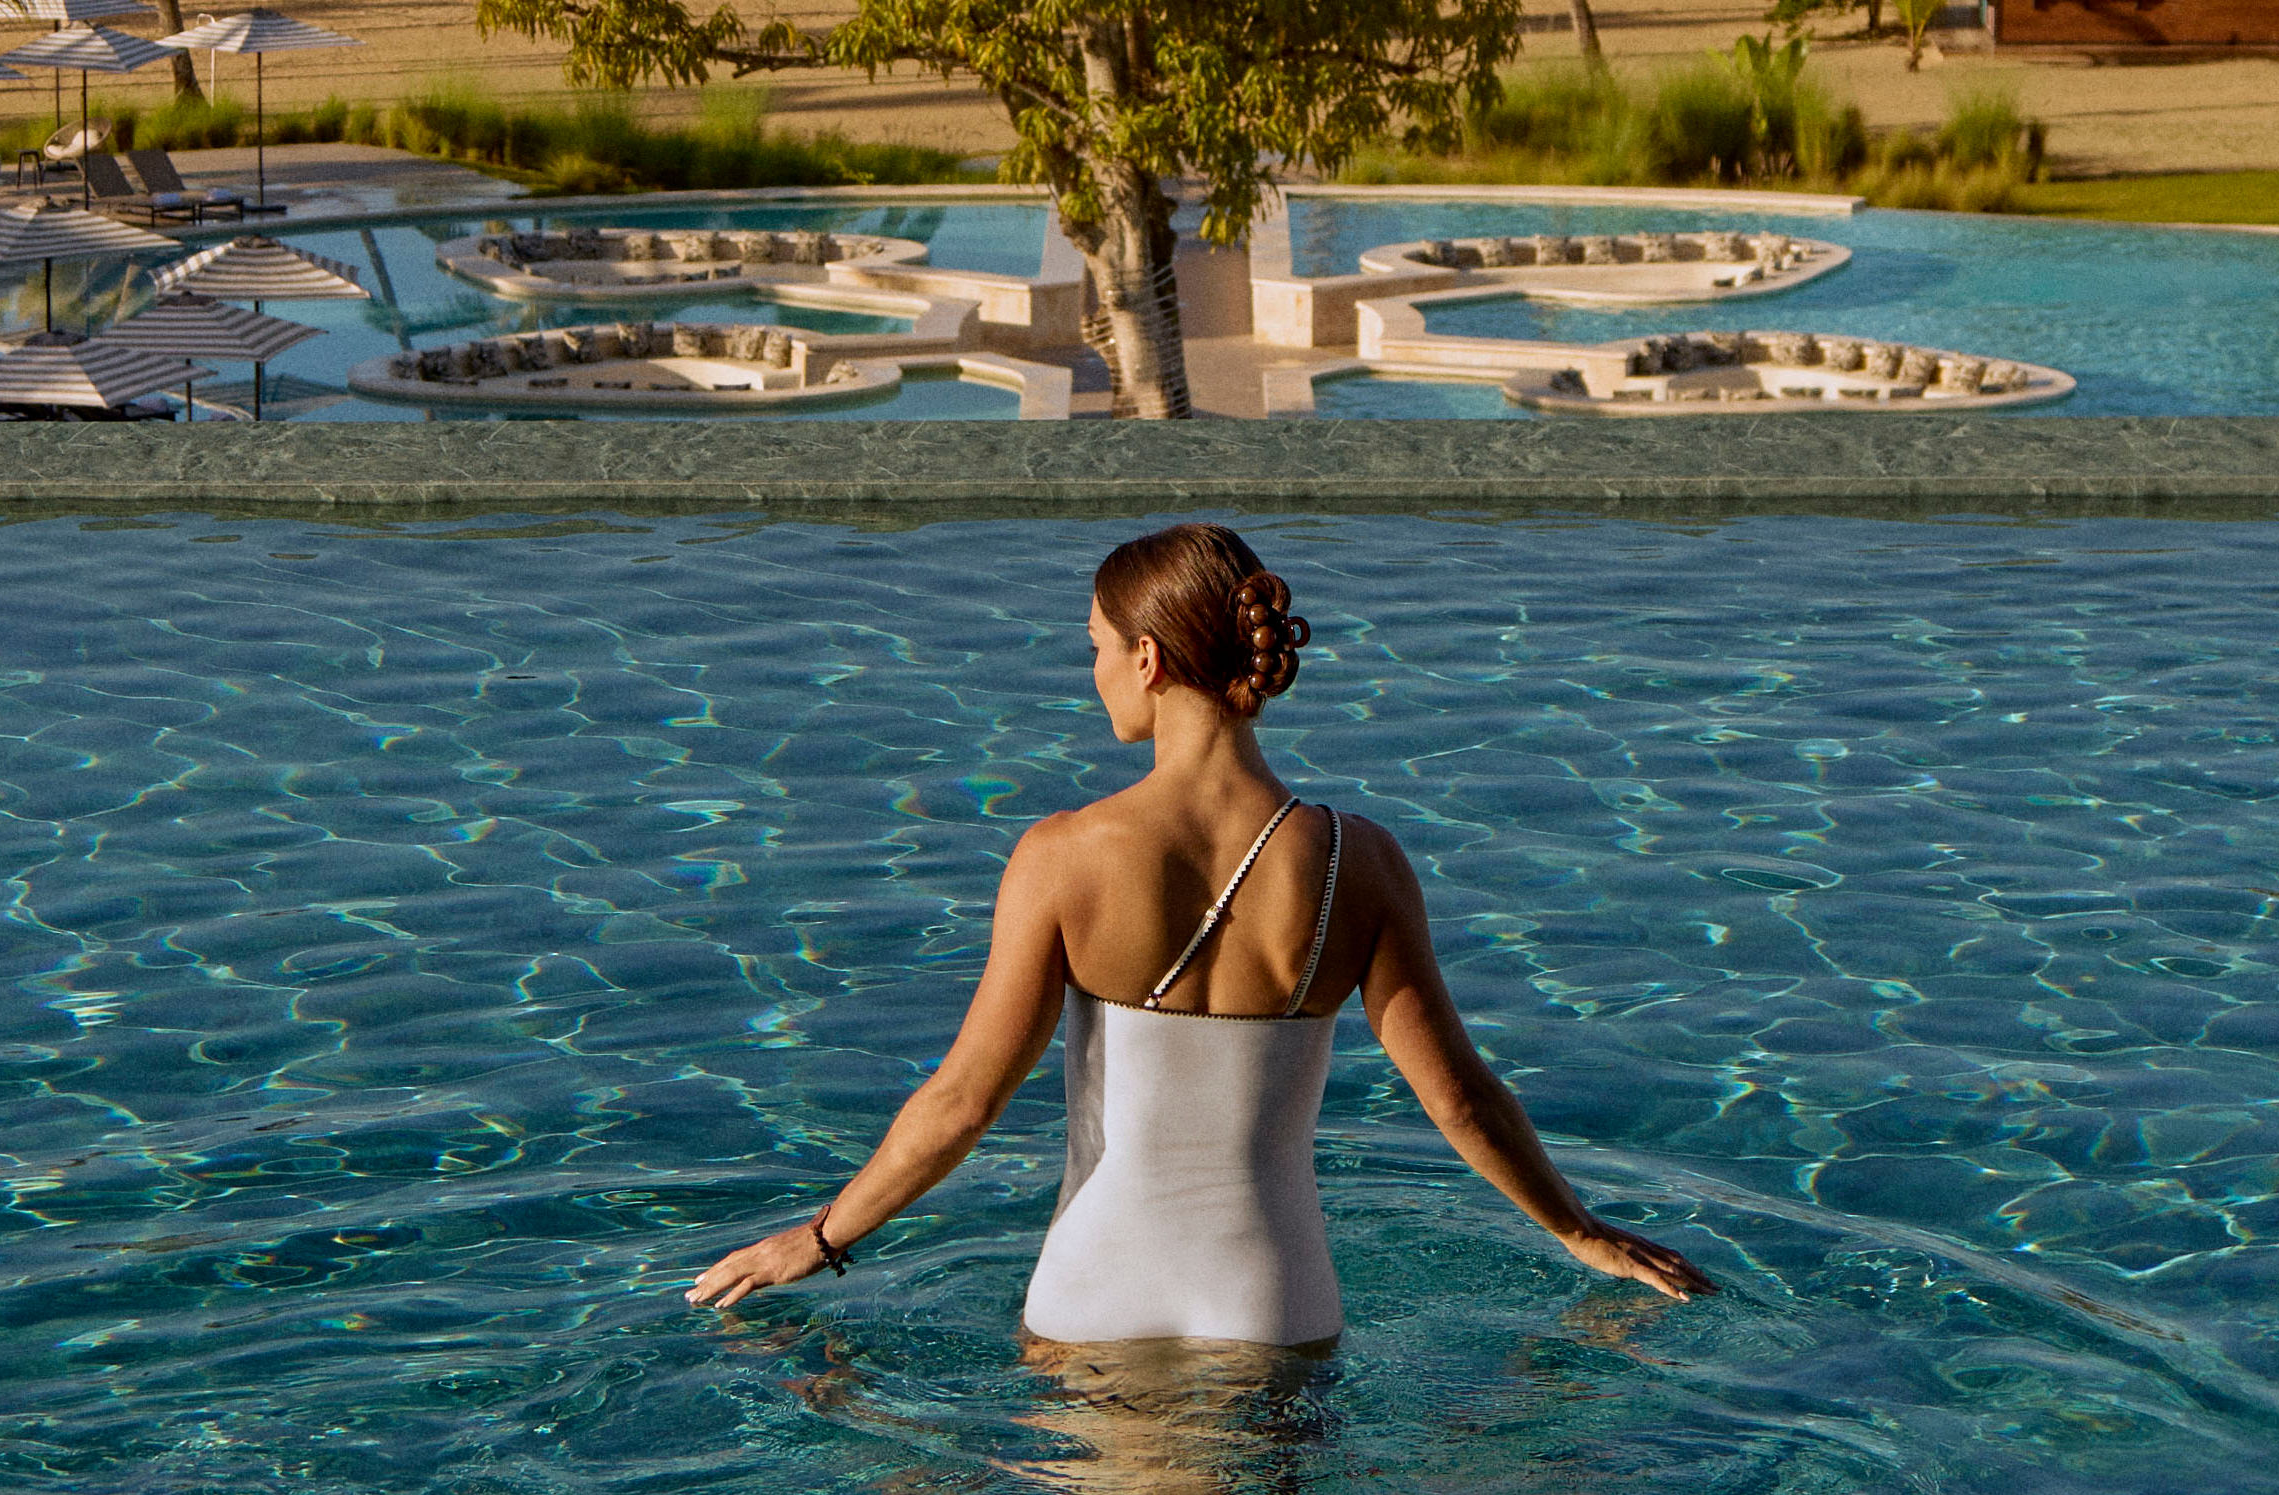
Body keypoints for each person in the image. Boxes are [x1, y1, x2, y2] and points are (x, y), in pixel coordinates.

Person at [691, 520, 1706, 1341]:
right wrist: (1580, 1232)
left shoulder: (1063, 855)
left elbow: (962, 1103)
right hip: (1271, 1296)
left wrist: (816, 1242)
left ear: (1145, 656)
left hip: (1095, 1285)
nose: (1092, 673)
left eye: (1095, 649)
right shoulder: (1363, 863)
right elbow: (1463, 1101)